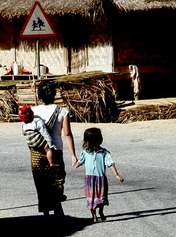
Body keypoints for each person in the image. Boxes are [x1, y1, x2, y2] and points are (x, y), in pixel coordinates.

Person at [29, 80, 78, 218]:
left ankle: (45, 213)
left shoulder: (33, 111)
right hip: (56, 149)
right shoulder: (62, 111)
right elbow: (67, 134)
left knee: (41, 181)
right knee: (57, 179)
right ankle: (57, 207)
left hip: (37, 151)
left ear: (39, 95)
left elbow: (27, 131)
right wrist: (73, 154)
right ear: (54, 94)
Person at [74, 127, 124, 223]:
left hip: (100, 179)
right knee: (91, 198)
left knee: (101, 198)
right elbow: (81, 160)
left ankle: (101, 211)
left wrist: (117, 175)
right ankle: (94, 216)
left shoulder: (104, 152)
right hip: (89, 180)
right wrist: (76, 164)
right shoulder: (85, 152)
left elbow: (111, 164)